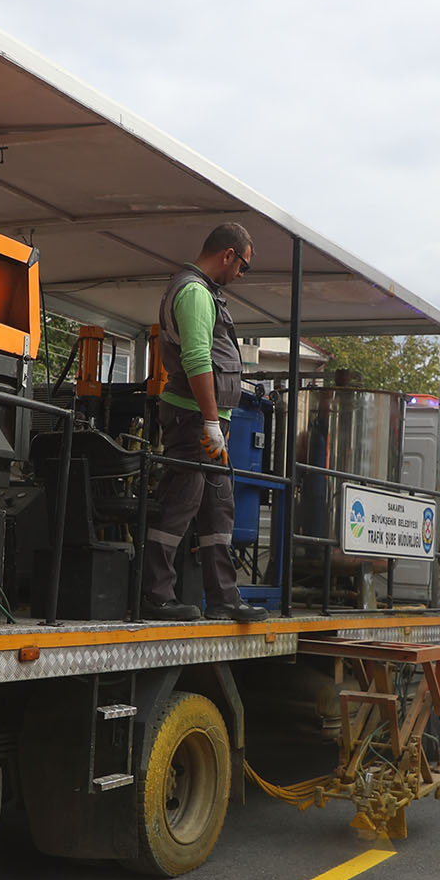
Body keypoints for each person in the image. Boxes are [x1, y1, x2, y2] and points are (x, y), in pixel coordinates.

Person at [141, 222, 269, 623]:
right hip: (193, 420)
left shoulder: (204, 292)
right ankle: (156, 596)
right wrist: (211, 423)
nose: (240, 275)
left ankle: (224, 598)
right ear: (227, 254)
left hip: (209, 423)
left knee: (217, 509)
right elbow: (198, 360)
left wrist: (218, 423)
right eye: (243, 266)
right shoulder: (194, 293)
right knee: (180, 503)